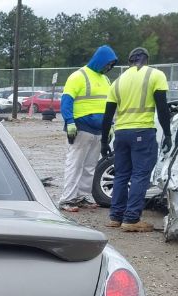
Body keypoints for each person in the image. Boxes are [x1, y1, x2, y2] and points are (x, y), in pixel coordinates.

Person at [101, 47, 172, 231]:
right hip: (142, 132)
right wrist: (168, 134)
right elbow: (162, 109)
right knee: (140, 175)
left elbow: (107, 115)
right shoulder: (155, 75)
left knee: (121, 175)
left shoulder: (117, 82)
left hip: (121, 133)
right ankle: (132, 219)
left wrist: (104, 141)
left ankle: (115, 217)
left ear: (129, 61)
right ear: (146, 59)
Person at [58, 45, 118, 213]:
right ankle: (67, 199)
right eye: (107, 64)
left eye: (111, 65)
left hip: (99, 131)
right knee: (75, 164)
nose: (108, 67)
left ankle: (81, 197)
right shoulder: (78, 76)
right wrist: (69, 122)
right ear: (100, 60)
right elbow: (66, 101)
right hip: (81, 128)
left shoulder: (105, 80)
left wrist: (110, 126)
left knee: (90, 166)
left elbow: (108, 104)